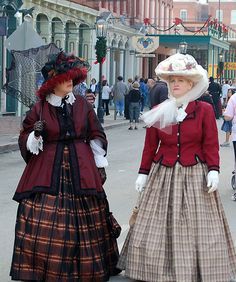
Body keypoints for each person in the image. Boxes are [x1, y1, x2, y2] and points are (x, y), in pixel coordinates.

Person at [117, 53, 236, 281]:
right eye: (172, 81)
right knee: (157, 223)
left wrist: (213, 169)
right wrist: (143, 172)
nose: (176, 84)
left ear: (191, 83)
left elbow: (210, 143)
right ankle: (154, 269)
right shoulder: (161, 109)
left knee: (197, 225)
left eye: (180, 80)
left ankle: (198, 268)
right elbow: (150, 145)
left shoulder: (203, 110)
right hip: (164, 171)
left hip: (194, 172)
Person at [10, 51, 120, 281]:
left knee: (89, 215)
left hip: (81, 165)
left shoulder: (81, 104)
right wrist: (35, 135)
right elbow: (25, 137)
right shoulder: (39, 108)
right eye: (65, 77)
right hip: (48, 168)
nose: (71, 81)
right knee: (45, 218)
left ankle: (86, 268)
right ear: (53, 82)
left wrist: (99, 164)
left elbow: (95, 133)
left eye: (73, 77)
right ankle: (45, 268)